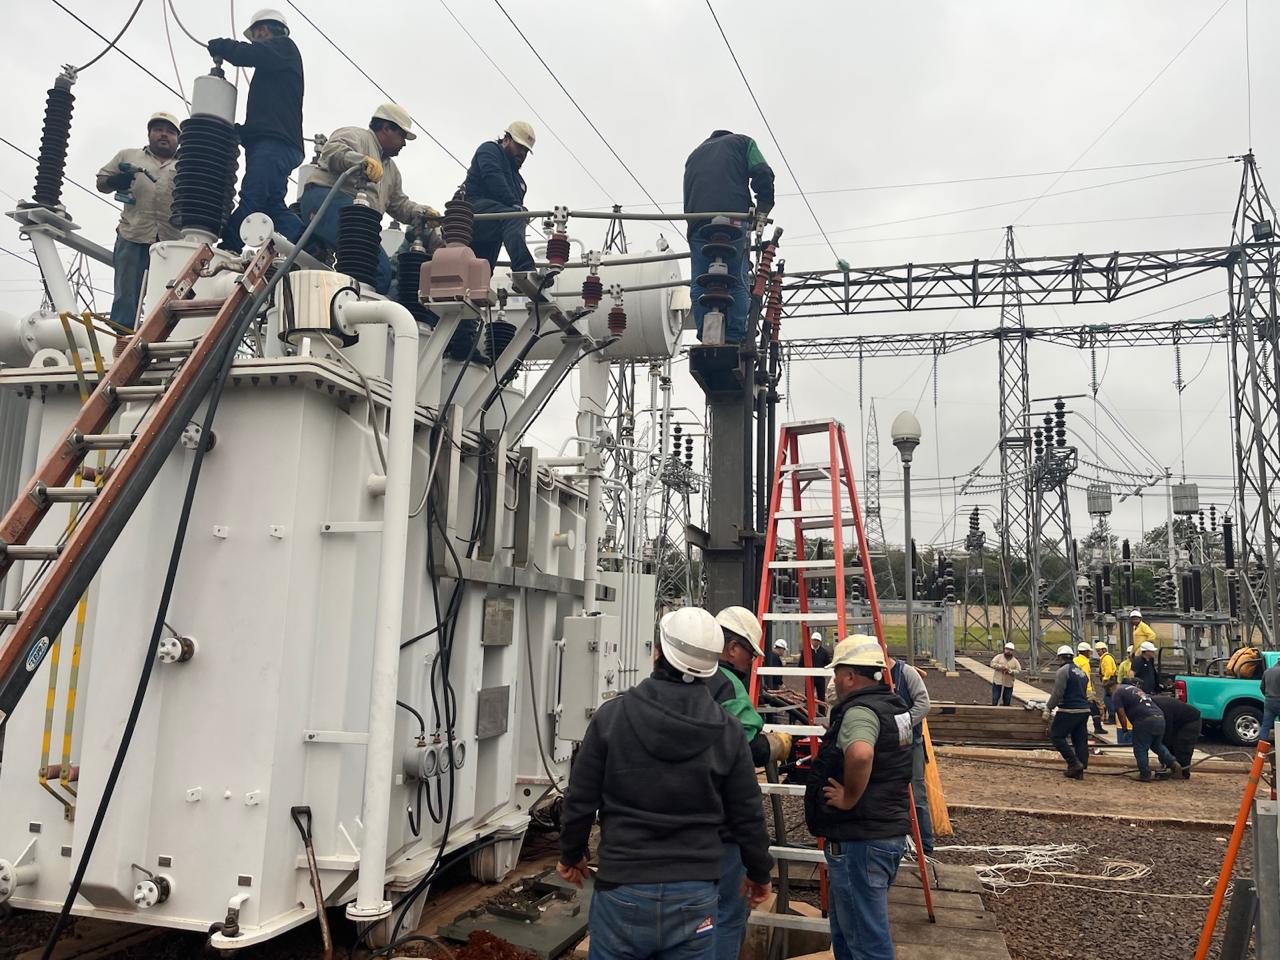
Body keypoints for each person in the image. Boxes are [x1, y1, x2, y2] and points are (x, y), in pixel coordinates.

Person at [558, 607, 773, 960]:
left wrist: (571, 854)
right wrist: (759, 872)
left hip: (623, 886)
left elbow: (580, 799)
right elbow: (747, 814)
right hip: (695, 895)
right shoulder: (728, 731)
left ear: (658, 651)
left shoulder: (612, 717)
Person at [806, 635, 912, 960]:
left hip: (860, 842)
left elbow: (862, 754)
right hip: (886, 833)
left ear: (850, 676)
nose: (835, 680)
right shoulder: (896, 708)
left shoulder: (860, 712)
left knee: (866, 943)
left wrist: (850, 796)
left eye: (837, 673)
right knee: (849, 936)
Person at [705, 606, 788, 960]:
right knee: (725, 916)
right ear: (733, 648)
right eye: (750, 654)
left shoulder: (668, 681)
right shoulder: (728, 684)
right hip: (722, 827)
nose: (750, 663)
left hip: (673, 830)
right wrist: (774, 745)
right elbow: (746, 749)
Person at [302, 104, 439, 295]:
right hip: (327, 199)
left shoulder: (391, 171)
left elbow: (399, 205)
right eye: (402, 136)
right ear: (386, 128)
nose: (404, 143)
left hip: (358, 218)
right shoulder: (357, 136)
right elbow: (333, 151)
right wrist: (360, 161)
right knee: (376, 271)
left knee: (375, 273)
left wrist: (422, 213)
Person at [207, 9, 305, 249]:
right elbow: (270, 111)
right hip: (273, 142)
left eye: (257, 34)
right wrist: (245, 132)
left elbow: (249, 54)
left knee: (253, 197)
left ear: (263, 30)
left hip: (275, 144)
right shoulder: (276, 65)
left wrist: (223, 46)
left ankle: (228, 247)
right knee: (271, 206)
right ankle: (309, 243)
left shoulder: (284, 47)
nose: (256, 39)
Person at [683, 131, 775, 344]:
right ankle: (735, 336)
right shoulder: (744, 142)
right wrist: (763, 205)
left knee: (699, 280)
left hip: (698, 223)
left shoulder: (694, 154)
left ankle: (704, 335)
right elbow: (762, 170)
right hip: (734, 217)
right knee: (737, 277)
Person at [96, 112, 181, 329]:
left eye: (170, 132)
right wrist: (116, 181)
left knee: (168, 296)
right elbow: (102, 182)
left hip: (170, 242)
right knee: (126, 294)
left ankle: (161, 339)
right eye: (159, 130)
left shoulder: (186, 165)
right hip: (132, 235)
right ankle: (122, 339)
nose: (164, 135)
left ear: (178, 138)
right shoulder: (129, 156)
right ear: (150, 133)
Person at [463, 123, 536, 272]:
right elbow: (492, 176)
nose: (522, 153)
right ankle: (524, 269)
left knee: (483, 270)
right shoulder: (490, 150)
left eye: (526, 150)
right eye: (519, 147)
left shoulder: (520, 183)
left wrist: (518, 210)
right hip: (471, 210)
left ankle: (480, 283)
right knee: (513, 216)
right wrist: (515, 205)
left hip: (492, 224)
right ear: (506, 140)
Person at [885, 650, 933, 856]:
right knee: (888, 793)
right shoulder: (873, 675)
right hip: (886, 746)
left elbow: (924, 704)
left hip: (910, 743)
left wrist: (902, 724)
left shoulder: (906, 673)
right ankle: (895, 842)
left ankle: (925, 846)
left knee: (917, 795)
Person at [1113, 678, 1181, 782]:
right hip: (1159, 717)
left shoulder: (1117, 692)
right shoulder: (1135, 690)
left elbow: (1120, 713)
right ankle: (1174, 765)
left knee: (1140, 747)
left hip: (1145, 720)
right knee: (1157, 745)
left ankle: (1145, 774)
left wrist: (1125, 729)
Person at [1045, 644, 1092, 779]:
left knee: (1056, 735)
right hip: (1084, 710)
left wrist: (1049, 708)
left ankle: (1074, 763)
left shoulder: (1062, 671)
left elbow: (1058, 693)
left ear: (1060, 657)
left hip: (1069, 710)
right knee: (1080, 740)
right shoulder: (1081, 672)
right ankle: (1080, 769)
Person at [1154, 695, 1201, 778]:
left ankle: (1183, 773)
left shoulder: (1164, 707)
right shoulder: (1154, 704)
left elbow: (1167, 732)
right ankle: (1172, 769)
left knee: (1183, 747)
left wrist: (1163, 751)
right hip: (1178, 721)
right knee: (1171, 745)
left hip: (1191, 721)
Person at [1074, 641, 1106, 734]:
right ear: (1085, 652)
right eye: (1089, 652)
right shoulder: (1085, 663)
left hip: (1076, 688)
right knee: (1094, 709)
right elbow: (1085, 677)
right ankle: (1097, 727)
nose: (1090, 654)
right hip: (1085, 689)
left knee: (1079, 708)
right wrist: (1089, 690)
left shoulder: (1075, 660)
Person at [1096, 641, 1118, 723]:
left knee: (1108, 699)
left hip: (1110, 681)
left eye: (1099, 650)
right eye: (1097, 651)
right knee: (1110, 698)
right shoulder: (1105, 658)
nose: (1098, 652)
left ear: (1104, 650)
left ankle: (1112, 717)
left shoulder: (1106, 658)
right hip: (1111, 680)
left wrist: (1105, 680)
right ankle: (1113, 717)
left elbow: (1108, 671)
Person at [808, 631, 833, 702]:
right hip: (809, 677)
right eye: (814, 640)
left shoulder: (824, 652)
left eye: (817, 640)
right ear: (811, 640)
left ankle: (821, 713)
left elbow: (828, 663)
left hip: (820, 678)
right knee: (808, 697)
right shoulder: (806, 651)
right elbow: (801, 664)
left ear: (820, 642)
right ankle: (807, 712)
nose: (815, 642)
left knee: (821, 697)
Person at [1262, 656, 1280, 744]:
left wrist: (1268, 696)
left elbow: (1262, 687)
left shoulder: (1267, 671)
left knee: (1265, 726)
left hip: (1269, 702)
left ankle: (1261, 751)